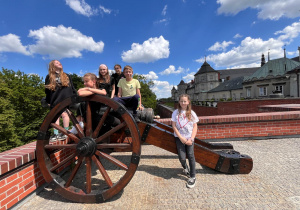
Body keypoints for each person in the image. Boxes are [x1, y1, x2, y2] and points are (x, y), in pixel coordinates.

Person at [45, 60, 77, 141]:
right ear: (52, 66)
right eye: (57, 62)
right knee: (56, 116)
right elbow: (47, 91)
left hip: (66, 98)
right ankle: (56, 134)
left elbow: (72, 87)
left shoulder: (66, 75)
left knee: (65, 114)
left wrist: (75, 96)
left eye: (60, 62)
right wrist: (48, 101)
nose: (60, 63)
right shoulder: (49, 77)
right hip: (55, 98)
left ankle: (65, 132)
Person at [171, 94, 199, 188]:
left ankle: (193, 176)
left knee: (191, 156)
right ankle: (185, 167)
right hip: (179, 138)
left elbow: (195, 126)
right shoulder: (175, 112)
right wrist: (181, 138)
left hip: (189, 138)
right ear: (179, 102)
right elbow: (174, 126)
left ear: (188, 102)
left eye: (185, 101)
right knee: (182, 157)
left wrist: (191, 138)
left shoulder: (192, 113)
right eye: (181, 101)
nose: (183, 103)